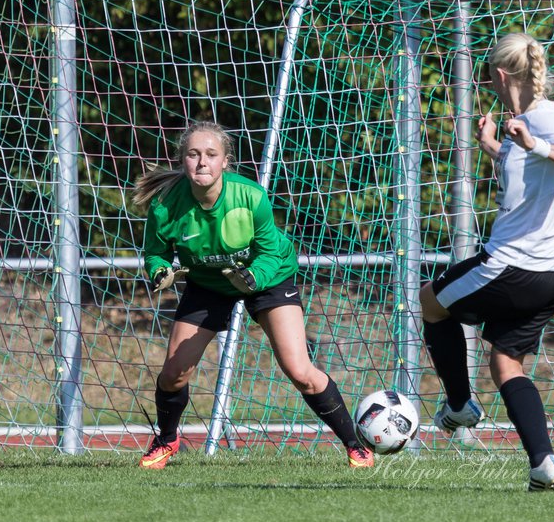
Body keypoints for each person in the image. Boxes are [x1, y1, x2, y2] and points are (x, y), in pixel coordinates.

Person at [131, 120, 374, 470]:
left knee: (299, 370)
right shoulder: (164, 205)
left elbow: (271, 251)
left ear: (225, 162)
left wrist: (253, 277)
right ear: (182, 160)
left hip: (269, 276)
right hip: (208, 284)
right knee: (173, 374)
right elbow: (154, 252)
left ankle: (356, 446)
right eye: (193, 154)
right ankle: (167, 440)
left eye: (211, 154)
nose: (202, 162)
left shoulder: (250, 196)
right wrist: (159, 271)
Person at [420, 32, 554, 491]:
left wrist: (533, 142)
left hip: (514, 267)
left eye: (490, 80)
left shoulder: (544, 117)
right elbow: (532, 173)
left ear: (501, 76)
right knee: (505, 364)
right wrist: (494, 146)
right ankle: (543, 463)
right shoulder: (525, 122)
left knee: (430, 301)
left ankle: (459, 406)